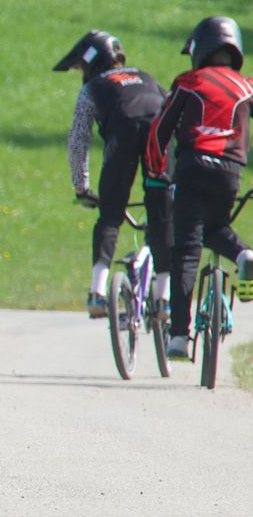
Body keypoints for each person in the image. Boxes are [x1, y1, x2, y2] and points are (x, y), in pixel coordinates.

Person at [144, 15, 253, 361]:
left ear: (198, 49)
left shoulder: (188, 82)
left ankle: (178, 336)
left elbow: (159, 132)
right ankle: (243, 255)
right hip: (230, 171)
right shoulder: (247, 87)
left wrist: (157, 170)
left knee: (186, 249)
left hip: (192, 169)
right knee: (216, 227)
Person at [53, 30, 172, 319]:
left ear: (91, 62)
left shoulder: (93, 87)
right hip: (161, 137)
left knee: (110, 213)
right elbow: (174, 109)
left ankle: (98, 292)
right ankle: (165, 299)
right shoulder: (147, 78)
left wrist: (81, 187)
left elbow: (79, 139)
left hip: (123, 135)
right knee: (161, 214)